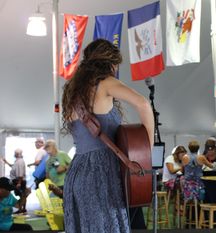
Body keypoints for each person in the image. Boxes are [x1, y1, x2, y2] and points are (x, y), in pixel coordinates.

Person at [61, 39, 154, 233]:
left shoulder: (72, 90)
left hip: (77, 171)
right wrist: (148, 148)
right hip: (101, 172)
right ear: (110, 63)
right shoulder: (104, 82)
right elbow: (143, 104)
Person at [3, 149, 30, 214]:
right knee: (22, 195)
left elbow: (20, 173)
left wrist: (19, 183)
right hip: (18, 181)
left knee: (22, 195)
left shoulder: (20, 161)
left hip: (19, 181)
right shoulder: (17, 161)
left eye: (15, 153)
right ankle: (22, 209)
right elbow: (13, 167)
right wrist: (6, 162)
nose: (14, 154)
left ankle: (21, 209)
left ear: (17, 154)